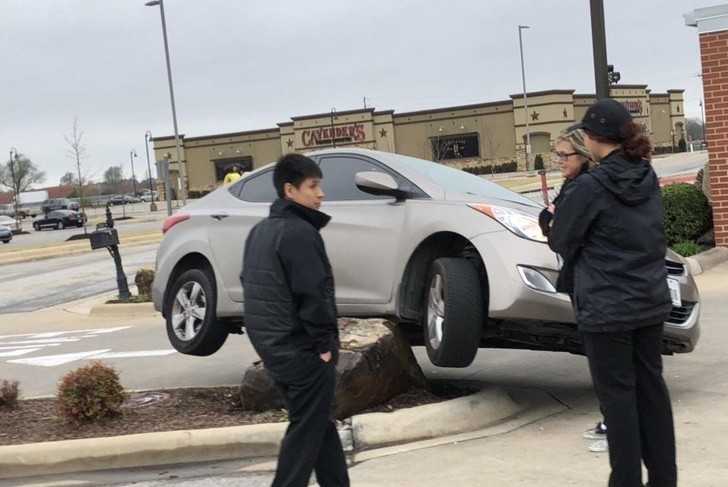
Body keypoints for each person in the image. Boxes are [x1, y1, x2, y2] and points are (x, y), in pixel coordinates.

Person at [548, 98, 677, 487]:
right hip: (650, 302)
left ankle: (625, 480)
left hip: (606, 309)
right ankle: (664, 479)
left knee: (618, 402)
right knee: (652, 393)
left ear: (591, 137)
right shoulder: (646, 175)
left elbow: (560, 239)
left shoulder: (591, 186)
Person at [241, 153, 349, 487]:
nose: (321, 194)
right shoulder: (300, 233)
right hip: (302, 351)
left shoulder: (261, 231)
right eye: (313, 186)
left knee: (319, 425)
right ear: (290, 190)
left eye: (320, 186)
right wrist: (324, 346)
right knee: (305, 432)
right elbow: (313, 293)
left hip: (276, 349)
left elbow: (251, 287)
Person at [538, 127, 609, 454]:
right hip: (587, 281)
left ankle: (614, 426)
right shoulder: (573, 186)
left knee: (606, 359)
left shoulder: (583, 188)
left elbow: (561, 236)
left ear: (584, 154)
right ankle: (614, 421)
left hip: (595, 283)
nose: (559, 161)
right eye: (557, 155)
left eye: (565, 155)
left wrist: (550, 224)